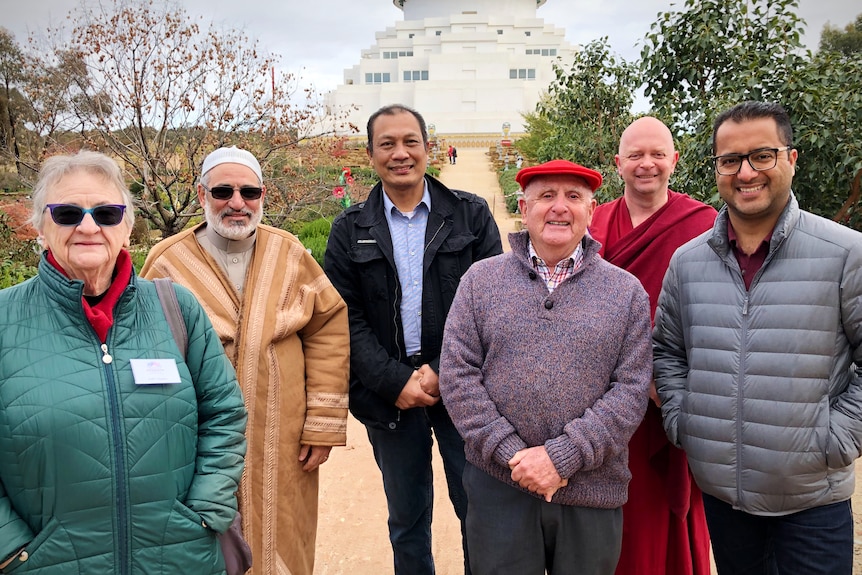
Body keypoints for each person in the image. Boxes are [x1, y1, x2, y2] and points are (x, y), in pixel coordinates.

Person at [0, 150, 247, 574]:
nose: (89, 226)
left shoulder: (175, 307)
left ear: (128, 228)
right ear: (40, 227)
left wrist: (205, 511)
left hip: (179, 558)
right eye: (67, 213)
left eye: (108, 213)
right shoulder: (4, 320)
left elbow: (224, 414)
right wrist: (11, 549)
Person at [653, 101, 862, 575]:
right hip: (725, 498)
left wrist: (836, 438)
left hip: (812, 500)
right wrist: (686, 421)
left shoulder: (845, 254)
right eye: (730, 160)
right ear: (716, 169)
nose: (746, 172)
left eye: (762, 155)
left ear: (791, 158)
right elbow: (666, 349)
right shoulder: (688, 263)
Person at [141, 146, 349, 575]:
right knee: (197, 539)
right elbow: (140, 349)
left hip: (283, 436)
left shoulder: (290, 254)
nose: (237, 202)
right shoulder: (167, 261)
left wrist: (322, 423)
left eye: (249, 191)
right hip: (195, 440)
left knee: (284, 536)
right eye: (223, 191)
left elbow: (328, 329)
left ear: (263, 195)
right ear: (201, 194)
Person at [439, 159, 653, 575]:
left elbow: (630, 392)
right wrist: (514, 456)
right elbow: (458, 376)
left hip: (591, 490)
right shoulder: (480, 281)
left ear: (592, 211)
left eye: (574, 197)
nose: (559, 207)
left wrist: (562, 458)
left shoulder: (626, 292)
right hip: (501, 486)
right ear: (523, 207)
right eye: (546, 196)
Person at [323, 104, 502, 575]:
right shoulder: (349, 231)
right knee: (407, 520)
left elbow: (493, 304)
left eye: (410, 142)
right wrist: (393, 381)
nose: (400, 153)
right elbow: (345, 317)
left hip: (464, 394)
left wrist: (445, 373)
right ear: (370, 154)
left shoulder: (470, 216)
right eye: (387, 144)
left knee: (478, 514)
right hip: (389, 398)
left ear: (428, 148)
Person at [589, 117, 716, 575]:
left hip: (668, 399)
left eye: (658, 154)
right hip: (603, 404)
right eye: (636, 155)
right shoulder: (595, 221)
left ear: (674, 161)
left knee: (659, 514)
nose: (647, 164)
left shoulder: (704, 224)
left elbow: (717, 314)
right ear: (618, 163)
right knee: (605, 524)